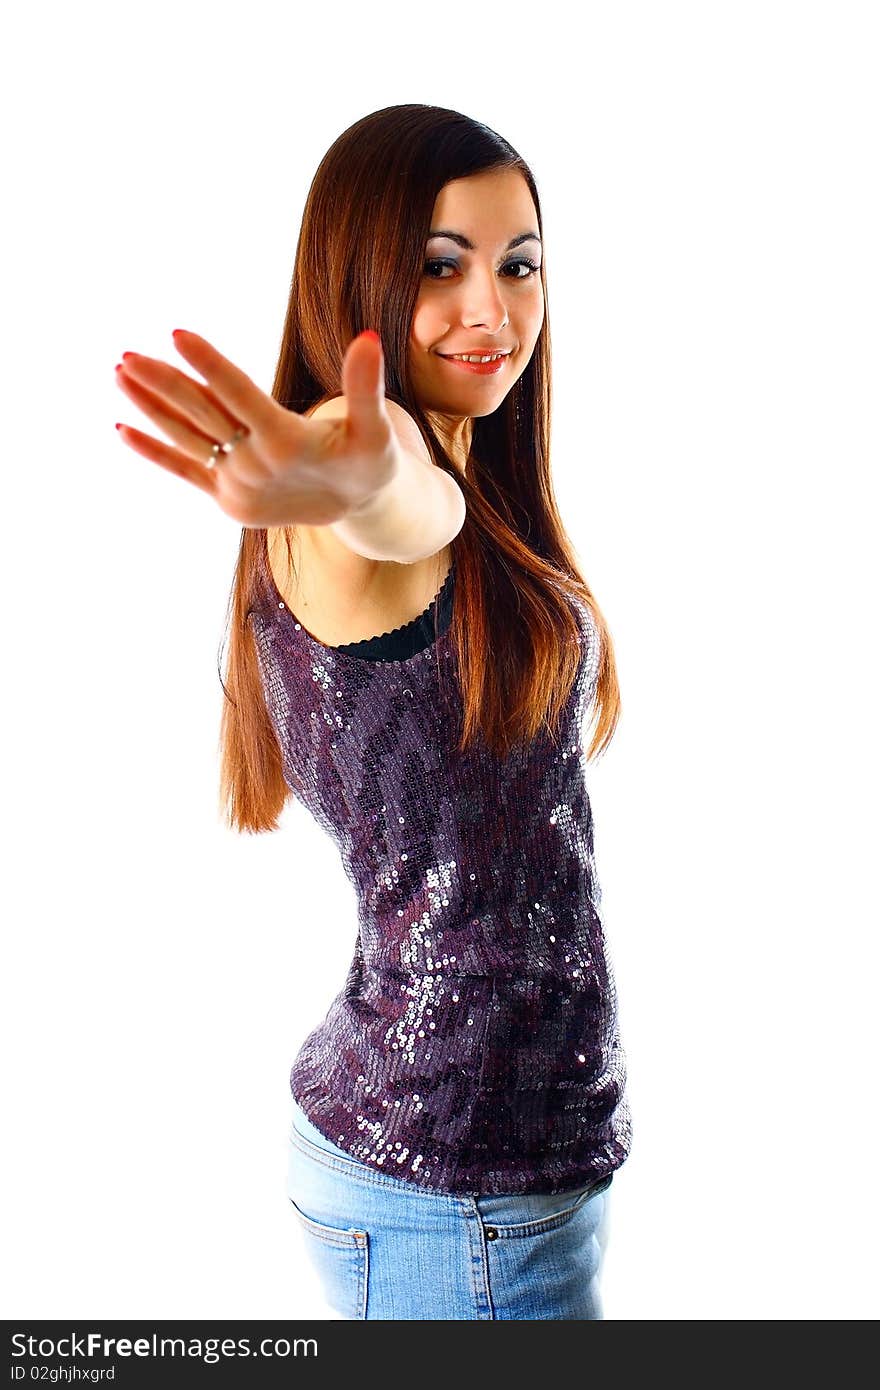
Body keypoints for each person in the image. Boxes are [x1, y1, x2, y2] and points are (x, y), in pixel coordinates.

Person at [114, 103, 632, 1321]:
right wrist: (357, 479)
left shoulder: (467, 476)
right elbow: (402, 503)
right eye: (440, 267)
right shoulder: (368, 509)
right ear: (355, 278)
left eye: (518, 264)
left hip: (452, 1155)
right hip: (460, 1194)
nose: (489, 308)